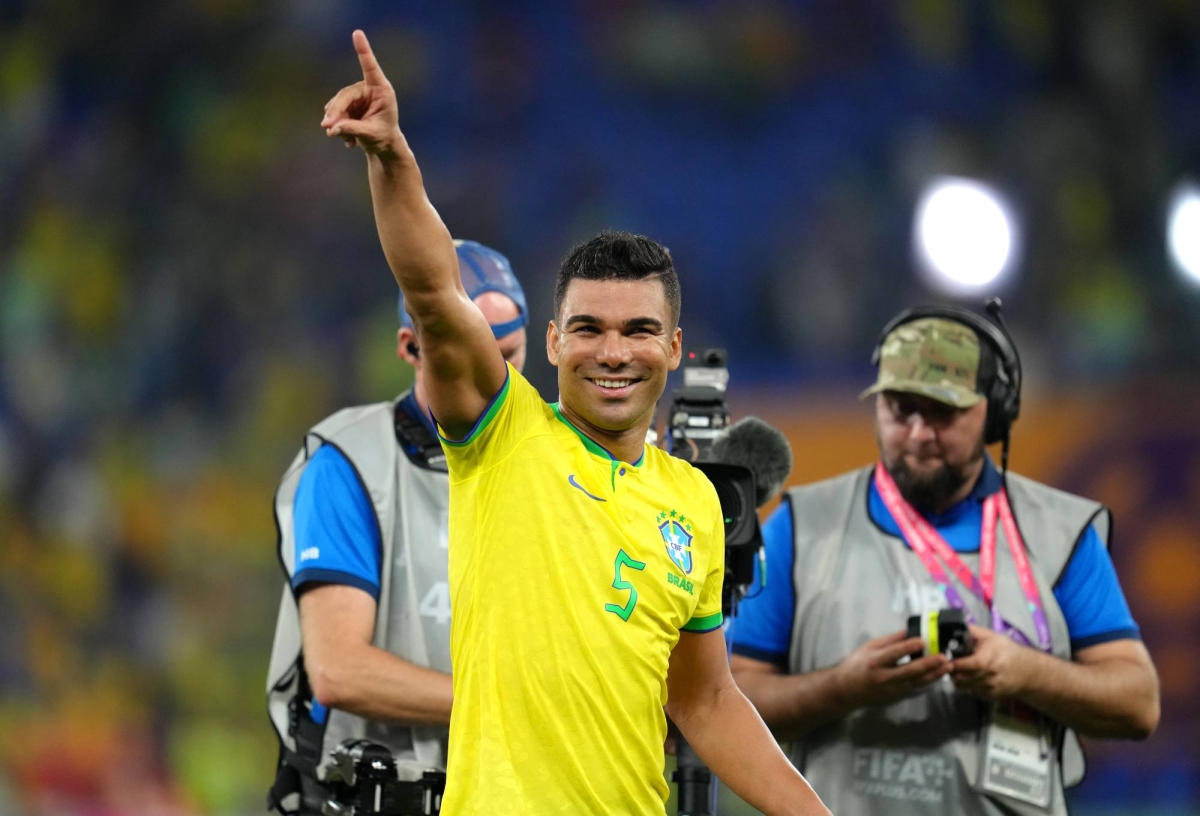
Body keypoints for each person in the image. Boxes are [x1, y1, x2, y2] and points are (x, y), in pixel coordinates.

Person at [317, 29, 830, 816]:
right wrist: (392, 158)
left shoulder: (694, 503)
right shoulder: (504, 434)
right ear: (553, 343)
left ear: (674, 348)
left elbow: (705, 701)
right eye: (589, 328)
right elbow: (434, 294)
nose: (613, 352)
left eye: (639, 331)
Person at [730, 305, 1161, 816]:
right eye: (899, 409)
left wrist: (1027, 672)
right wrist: (842, 687)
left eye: (942, 412)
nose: (917, 433)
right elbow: (730, 698)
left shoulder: (1060, 535)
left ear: (995, 413)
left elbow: (1138, 703)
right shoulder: (803, 527)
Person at [264, 240, 530, 815]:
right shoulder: (351, 463)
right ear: (410, 347)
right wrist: (512, 705)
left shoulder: (553, 470)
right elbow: (338, 670)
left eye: (509, 356)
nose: (493, 379)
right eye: (467, 355)